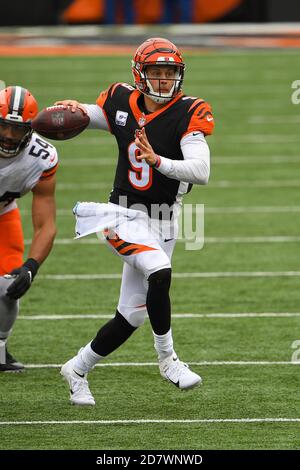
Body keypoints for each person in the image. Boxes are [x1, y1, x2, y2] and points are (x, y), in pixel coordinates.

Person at [56, 37, 214, 405]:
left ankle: (77, 368)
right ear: (139, 74)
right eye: (156, 72)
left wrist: (158, 160)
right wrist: (73, 108)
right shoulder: (120, 99)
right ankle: (168, 360)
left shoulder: (189, 111)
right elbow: (95, 116)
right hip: (121, 213)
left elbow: (202, 170)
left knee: (131, 316)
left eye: (169, 72)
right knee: (159, 271)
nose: (163, 80)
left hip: (164, 218)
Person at [0, 86, 58, 371]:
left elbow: (46, 224)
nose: (9, 135)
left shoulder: (41, 157)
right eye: (3, 126)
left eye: (17, 128)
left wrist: (31, 266)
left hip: (2, 214)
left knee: (7, 287)